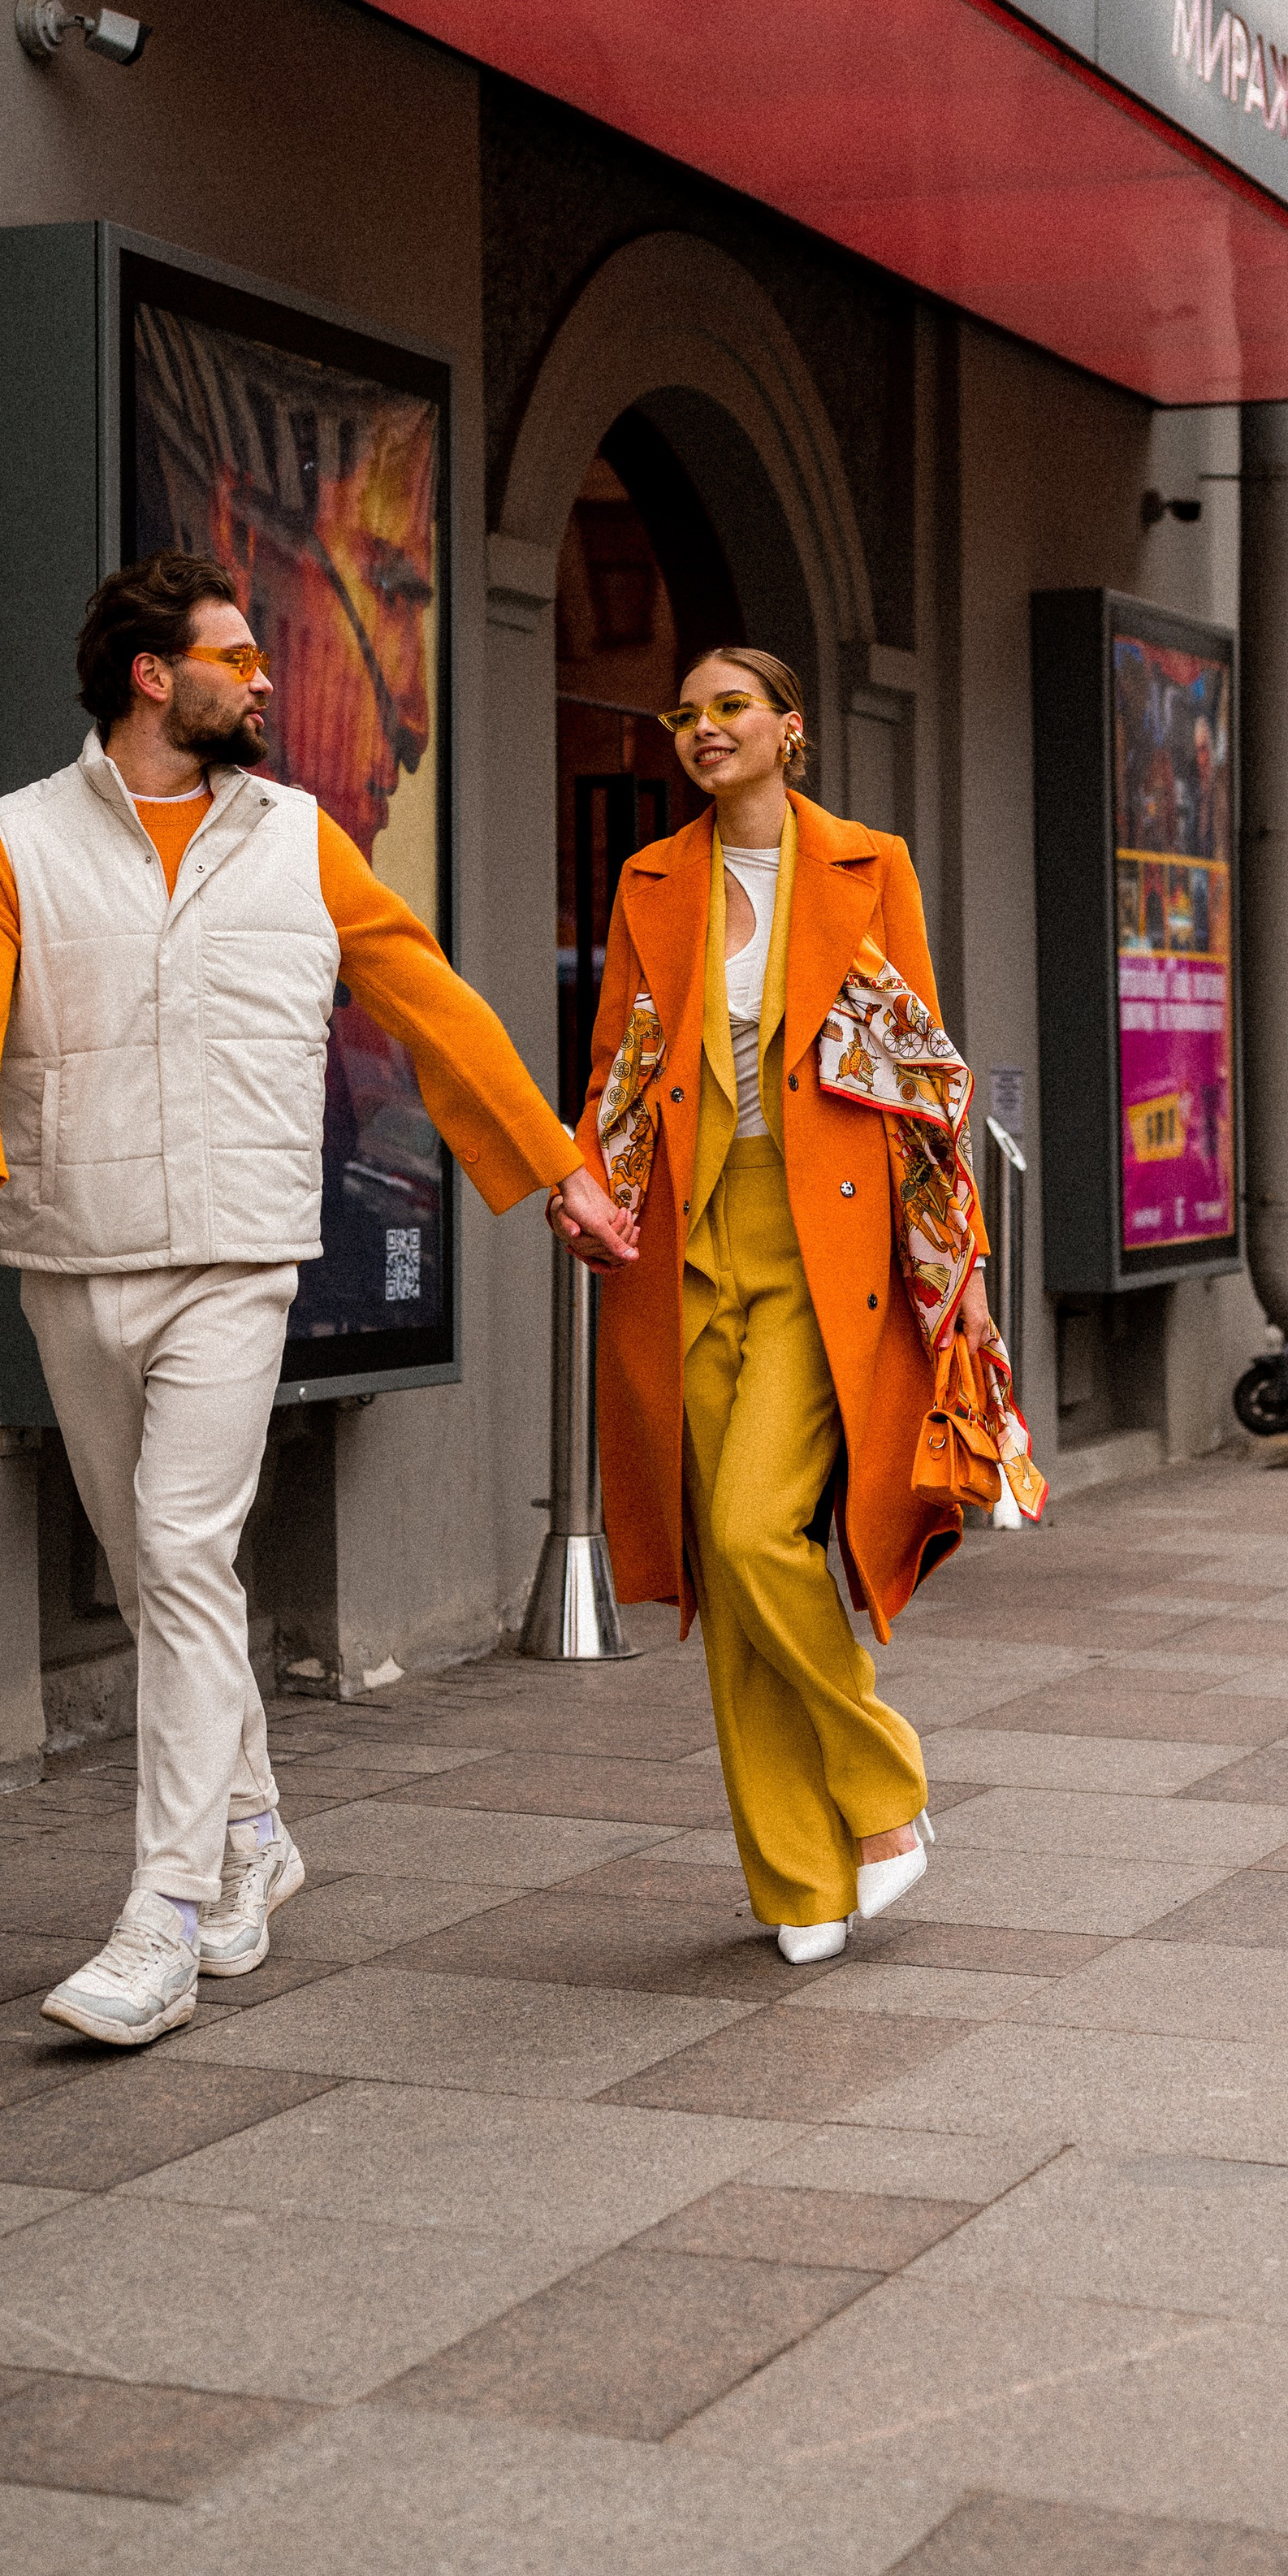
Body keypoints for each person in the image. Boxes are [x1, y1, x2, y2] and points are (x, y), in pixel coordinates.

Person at [0, 550, 635, 2049]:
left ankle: (161, 1913)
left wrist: (555, 1167)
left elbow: (429, 1001)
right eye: (237, 655)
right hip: (76, 1250)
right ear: (156, 677)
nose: (266, 677)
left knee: (175, 1544)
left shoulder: (304, 839)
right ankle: (257, 1831)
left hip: (238, 1251)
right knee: (171, 1578)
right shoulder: (10, 842)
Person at [557, 648, 1039, 1964]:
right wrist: (578, 1181)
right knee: (722, 1564)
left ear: (788, 729)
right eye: (687, 715)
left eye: (731, 710)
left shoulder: (866, 866)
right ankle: (795, 1880)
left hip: (829, 1249)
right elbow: (617, 1067)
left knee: (756, 1526)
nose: (705, 730)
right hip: (683, 1251)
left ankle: (884, 1796)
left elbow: (926, 1082)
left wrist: (966, 1280)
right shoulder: (653, 880)